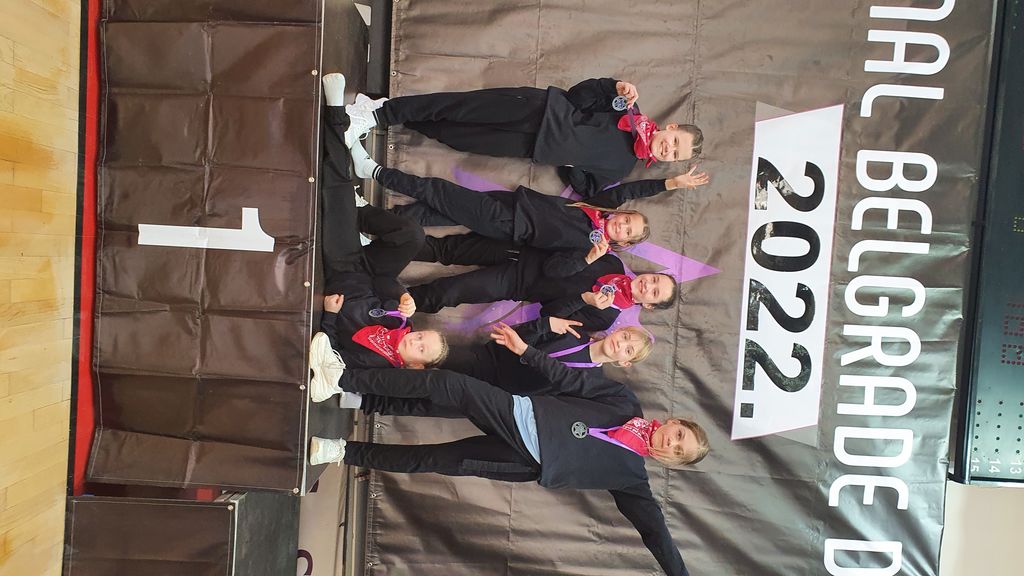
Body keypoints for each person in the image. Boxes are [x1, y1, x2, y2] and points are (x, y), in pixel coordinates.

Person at [308, 322, 709, 576]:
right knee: (448, 384)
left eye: (678, 451)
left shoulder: (632, 479)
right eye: (679, 435)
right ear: (673, 422)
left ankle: (338, 451)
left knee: (433, 458)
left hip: (523, 461)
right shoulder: (625, 402)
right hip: (521, 413)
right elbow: (573, 382)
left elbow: (654, 531)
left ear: (670, 462)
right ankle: (341, 379)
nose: (671, 443)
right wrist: (527, 353)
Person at [348, 140, 707, 278]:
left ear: (624, 243)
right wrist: (670, 183)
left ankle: (373, 172)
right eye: (627, 220)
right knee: (435, 212)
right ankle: (373, 228)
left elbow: (554, 270)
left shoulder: (588, 247)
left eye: (628, 232)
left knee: (437, 191)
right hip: (512, 204)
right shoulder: (596, 209)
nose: (623, 226)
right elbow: (630, 190)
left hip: (508, 223)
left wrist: (586, 259)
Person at [332, 73, 705, 197]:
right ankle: (377, 113)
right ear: (671, 128)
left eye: (675, 154)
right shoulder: (627, 107)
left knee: (454, 136)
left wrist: (569, 160)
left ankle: (381, 111)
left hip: (529, 147)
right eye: (675, 142)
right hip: (537, 109)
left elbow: (587, 187)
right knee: (456, 107)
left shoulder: (622, 168)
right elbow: (579, 96)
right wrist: (613, 86)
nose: (669, 149)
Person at [311, 74, 449, 403]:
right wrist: (402, 296)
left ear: (416, 365)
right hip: (368, 270)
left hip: (344, 267)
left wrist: (330, 316)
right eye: (421, 336)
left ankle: (335, 115)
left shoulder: (379, 362)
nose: (415, 340)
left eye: (420, 348)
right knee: (412, 235)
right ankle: (359, 212)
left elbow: (332, 353)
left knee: (337, 187)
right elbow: (382, 284)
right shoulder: (398, 323)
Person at [352, 315, 653, 417]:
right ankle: (366, 361)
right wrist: (544, 324)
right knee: (428, 356)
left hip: (499, 395)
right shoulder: (574, 332)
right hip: (490, 361)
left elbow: (552, 396)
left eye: (628, 349)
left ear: (624, 361)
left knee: (436, 404)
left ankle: (365, 401)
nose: (621, 344)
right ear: (618, 331)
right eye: (625, 336)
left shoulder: (590, 381)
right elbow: (516, 337)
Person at [406, 232, 677, 331]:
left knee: (447, 292)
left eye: (654, 292)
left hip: (515, 284)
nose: (648, 285)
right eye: (654, 280)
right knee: (447, 248)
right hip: (518, 251)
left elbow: (549, 314)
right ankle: (389, 246)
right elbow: (557, 259)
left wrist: (583, 299)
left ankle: (392, 305)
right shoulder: (611, 263)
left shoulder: (604, 317)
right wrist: (585, 259)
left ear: (649, 305)